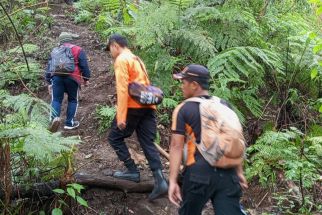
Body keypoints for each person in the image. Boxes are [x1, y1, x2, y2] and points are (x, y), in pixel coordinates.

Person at [168, 64, 248, 215]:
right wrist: (239, 172)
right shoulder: (224, 104)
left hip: (198, 175)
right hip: (228, 175)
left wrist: (172, 181)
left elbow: (176, 146)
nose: (181, 86)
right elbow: (233, 138)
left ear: (194, 85)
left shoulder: (183, 109)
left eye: (183, 82)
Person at [106, 34, 168, 200]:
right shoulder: (136, 58)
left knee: (114, 138)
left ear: (114, 45)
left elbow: (122, 89)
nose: (110, 53)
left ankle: (132, 171)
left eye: (110, 49)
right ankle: (160, 180)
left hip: (133, 106)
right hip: (148, 106)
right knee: (147, 142)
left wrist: (121, 117)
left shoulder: (121, 59)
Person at [46, 32, 91, 132]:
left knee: (56, 99)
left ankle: (54, 120)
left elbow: (49, 66)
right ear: (70, 40)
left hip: (56, 77)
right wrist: (86, 79)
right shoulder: (78, 49)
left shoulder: (55, 50)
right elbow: (84, 66)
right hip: (73, 77)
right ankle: (69, 123)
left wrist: (49, 81)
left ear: (60, 41)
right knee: (72, 100)